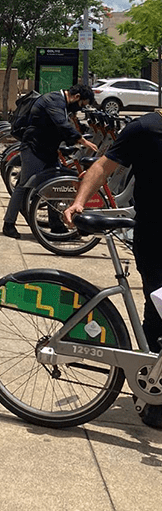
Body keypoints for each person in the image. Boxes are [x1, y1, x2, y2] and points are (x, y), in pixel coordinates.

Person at [63, 109, 162, 429]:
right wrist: (79, 202)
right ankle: (150, 394)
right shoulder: (145, 128)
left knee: (156, 312)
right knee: (158, 310)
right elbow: (102, 166)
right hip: (154, 239)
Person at [2, 84, 99, 239]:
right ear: (77, 97)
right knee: (24, 185)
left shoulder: (62, 102)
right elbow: (61, 123)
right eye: (81, 105)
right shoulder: (54, 100)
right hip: (34, 148)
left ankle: (57, 226)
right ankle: (8, 223)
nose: (79, 109)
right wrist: (81, 140)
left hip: (47, 150)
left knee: (56, 185)